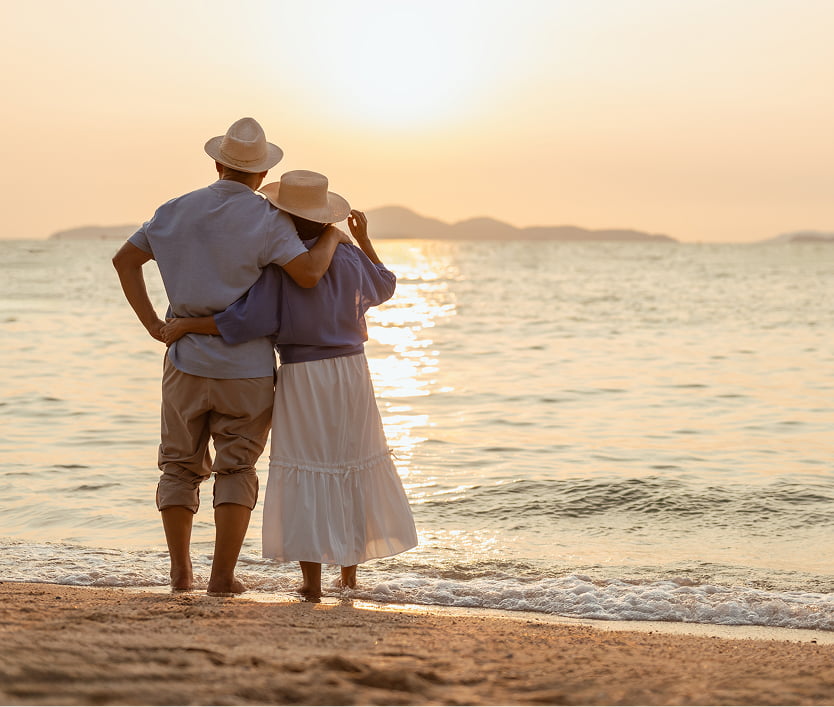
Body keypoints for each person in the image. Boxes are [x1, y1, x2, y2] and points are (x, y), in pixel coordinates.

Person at [112, 120, 349, 596]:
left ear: (218, 165)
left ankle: (181, 574)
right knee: (237, 468)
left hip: (184, 359)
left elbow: (125, 261)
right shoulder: (268, 218)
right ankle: (221, 577)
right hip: (247, 368)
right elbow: (306, 275)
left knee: (178, 467)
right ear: (262, 175)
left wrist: (154, 326)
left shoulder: (174, 209)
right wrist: (331, 236)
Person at [161, 170, 418, 597]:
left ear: (286, 217)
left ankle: (312, 584)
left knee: (307, 468)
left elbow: (244, 321)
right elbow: (385, 284)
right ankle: (349, 577)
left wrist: (187, 324)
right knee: (350, 462)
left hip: (303, 376)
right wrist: (362, 239)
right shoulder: (350, 256)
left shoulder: (282, 268)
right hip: (353, 373)